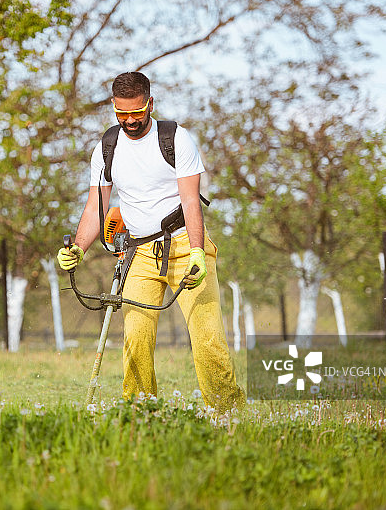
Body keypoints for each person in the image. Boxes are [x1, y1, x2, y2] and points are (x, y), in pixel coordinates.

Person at [57, 71, 245, 412]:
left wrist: (198, 252)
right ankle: (141, 416)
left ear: (150, 104)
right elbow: (96, 206)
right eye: (122, 113)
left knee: (208, 340)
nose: (130, 120)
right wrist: (78, 249)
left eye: (137, 112)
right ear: (114, 107)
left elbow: (191, 202)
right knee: (136, 340)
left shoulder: (176, 139)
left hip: (186, 247)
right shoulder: (107, 148)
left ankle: (229, 416)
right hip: (140, 253)